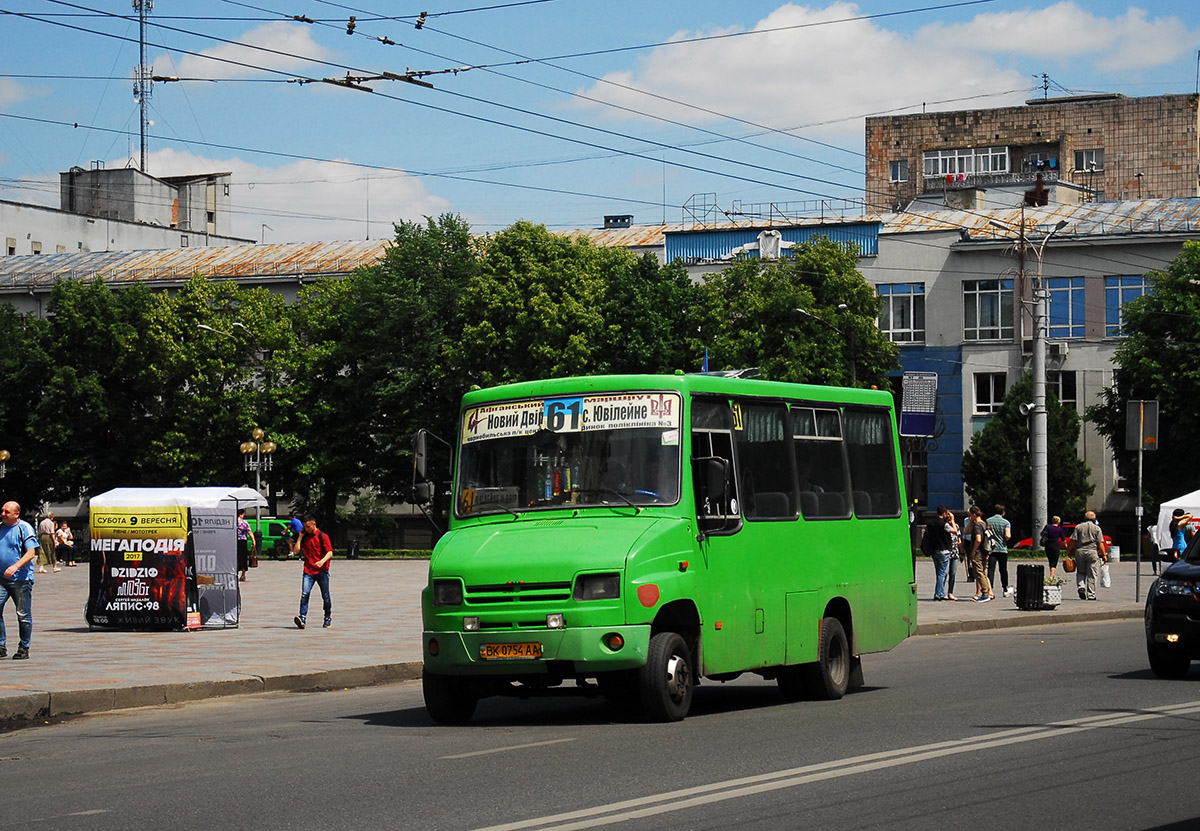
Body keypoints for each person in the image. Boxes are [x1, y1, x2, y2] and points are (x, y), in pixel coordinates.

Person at [0, 501, 39, 659]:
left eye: (6, 512)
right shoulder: (0, 527)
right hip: (1, 578)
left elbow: (31, 552)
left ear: (16, 514)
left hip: (21, 579)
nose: (2, 514)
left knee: (23, 614)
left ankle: (24, 647)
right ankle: (1, 646)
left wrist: (15, 566)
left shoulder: (24, 528)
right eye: (2, 511)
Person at [294, 515, 333, 630]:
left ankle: (327, 617)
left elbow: (330, 552)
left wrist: (322, 561)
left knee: (325, 596)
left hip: (322, 571)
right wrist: (300, 537)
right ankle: (302, 617)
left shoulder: (322, 536)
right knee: (305, 594)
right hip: (308, 571)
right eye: (305, 527)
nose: (306, 529)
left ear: (314, 524)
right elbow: (296, 551)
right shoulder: (305, 536)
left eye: (308, 527)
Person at [1069, 510, 1106, 601]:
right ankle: (1091, 595)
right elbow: (1100, 543)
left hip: (1080, 551)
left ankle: (1081, 587)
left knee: (1081, 571)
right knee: (1092, 574)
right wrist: (1104, 554)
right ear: (1094, 519)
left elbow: (1073, 541)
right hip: (1092, 551)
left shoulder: (1078, 527)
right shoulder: (1097, 528)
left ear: (1085, 518)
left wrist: (1068, 551)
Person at [923, 505, 956, 601]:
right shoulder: (943, 524)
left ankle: (941, 592)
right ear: (945, 513)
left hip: (934, 550)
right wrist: (952, 520)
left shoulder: (931, 523)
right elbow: (954, 531)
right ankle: (938, 594)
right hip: (944, 550)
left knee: (939, 572)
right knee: (942, 573)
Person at [966, 505, 995, 602]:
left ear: (974, 514)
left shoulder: (978, 525)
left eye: (970, 515)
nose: (969, 517)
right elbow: (966, 531)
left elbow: (978, 539)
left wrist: (973, 550)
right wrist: (971, 521)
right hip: (984, 551)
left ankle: (985, 593)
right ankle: (987, 592)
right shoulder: (983, 523)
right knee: (983, 572)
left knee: (979, 573)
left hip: (978, 552)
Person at [986, 504, 1012, 597]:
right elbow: (1008, 535)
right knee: (1003, 569)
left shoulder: (988, 521)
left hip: (991, 549)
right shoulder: (1006, 522)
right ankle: (1005, 589)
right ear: (1003, 513)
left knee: (991, 569)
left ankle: (989, 589)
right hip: (1002, 549)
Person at [1040, 516, 1067, 581]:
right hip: (1055, 545)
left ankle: (1053, 575)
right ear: (1058, 521)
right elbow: (1063, 539)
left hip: (1048, 545)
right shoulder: (1059, 529)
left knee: (1050, 560)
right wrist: (1066, 545)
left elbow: (1042, 534)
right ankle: (1051, 577)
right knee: (1054, 561)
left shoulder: (1047, 527)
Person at [236, 508, 251, 583]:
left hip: (235, 542)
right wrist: (254, 541)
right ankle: (243, 574)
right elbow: (249, 532)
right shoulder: (244, 522)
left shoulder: (233, 522)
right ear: (241, 514)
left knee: (236, 557)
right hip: (243, 541)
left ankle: (235, 574)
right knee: (243, 558)